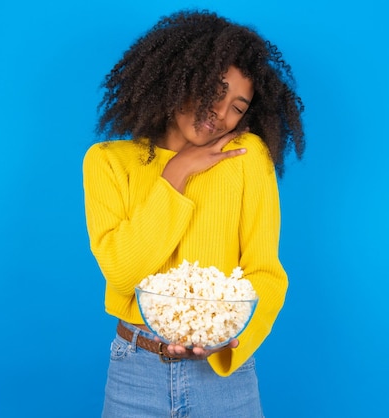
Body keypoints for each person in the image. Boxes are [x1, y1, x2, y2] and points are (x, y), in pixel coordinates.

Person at [83, 9, 305, 417]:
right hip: (135, 368)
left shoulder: (247, 158)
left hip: (224, 377)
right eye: (215, 89)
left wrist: (231, 338)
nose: (221, 113)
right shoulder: (108, 162)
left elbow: (266, 274)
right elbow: (122, 273)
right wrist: (177, 172)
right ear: (181, 76)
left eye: (238, 106)